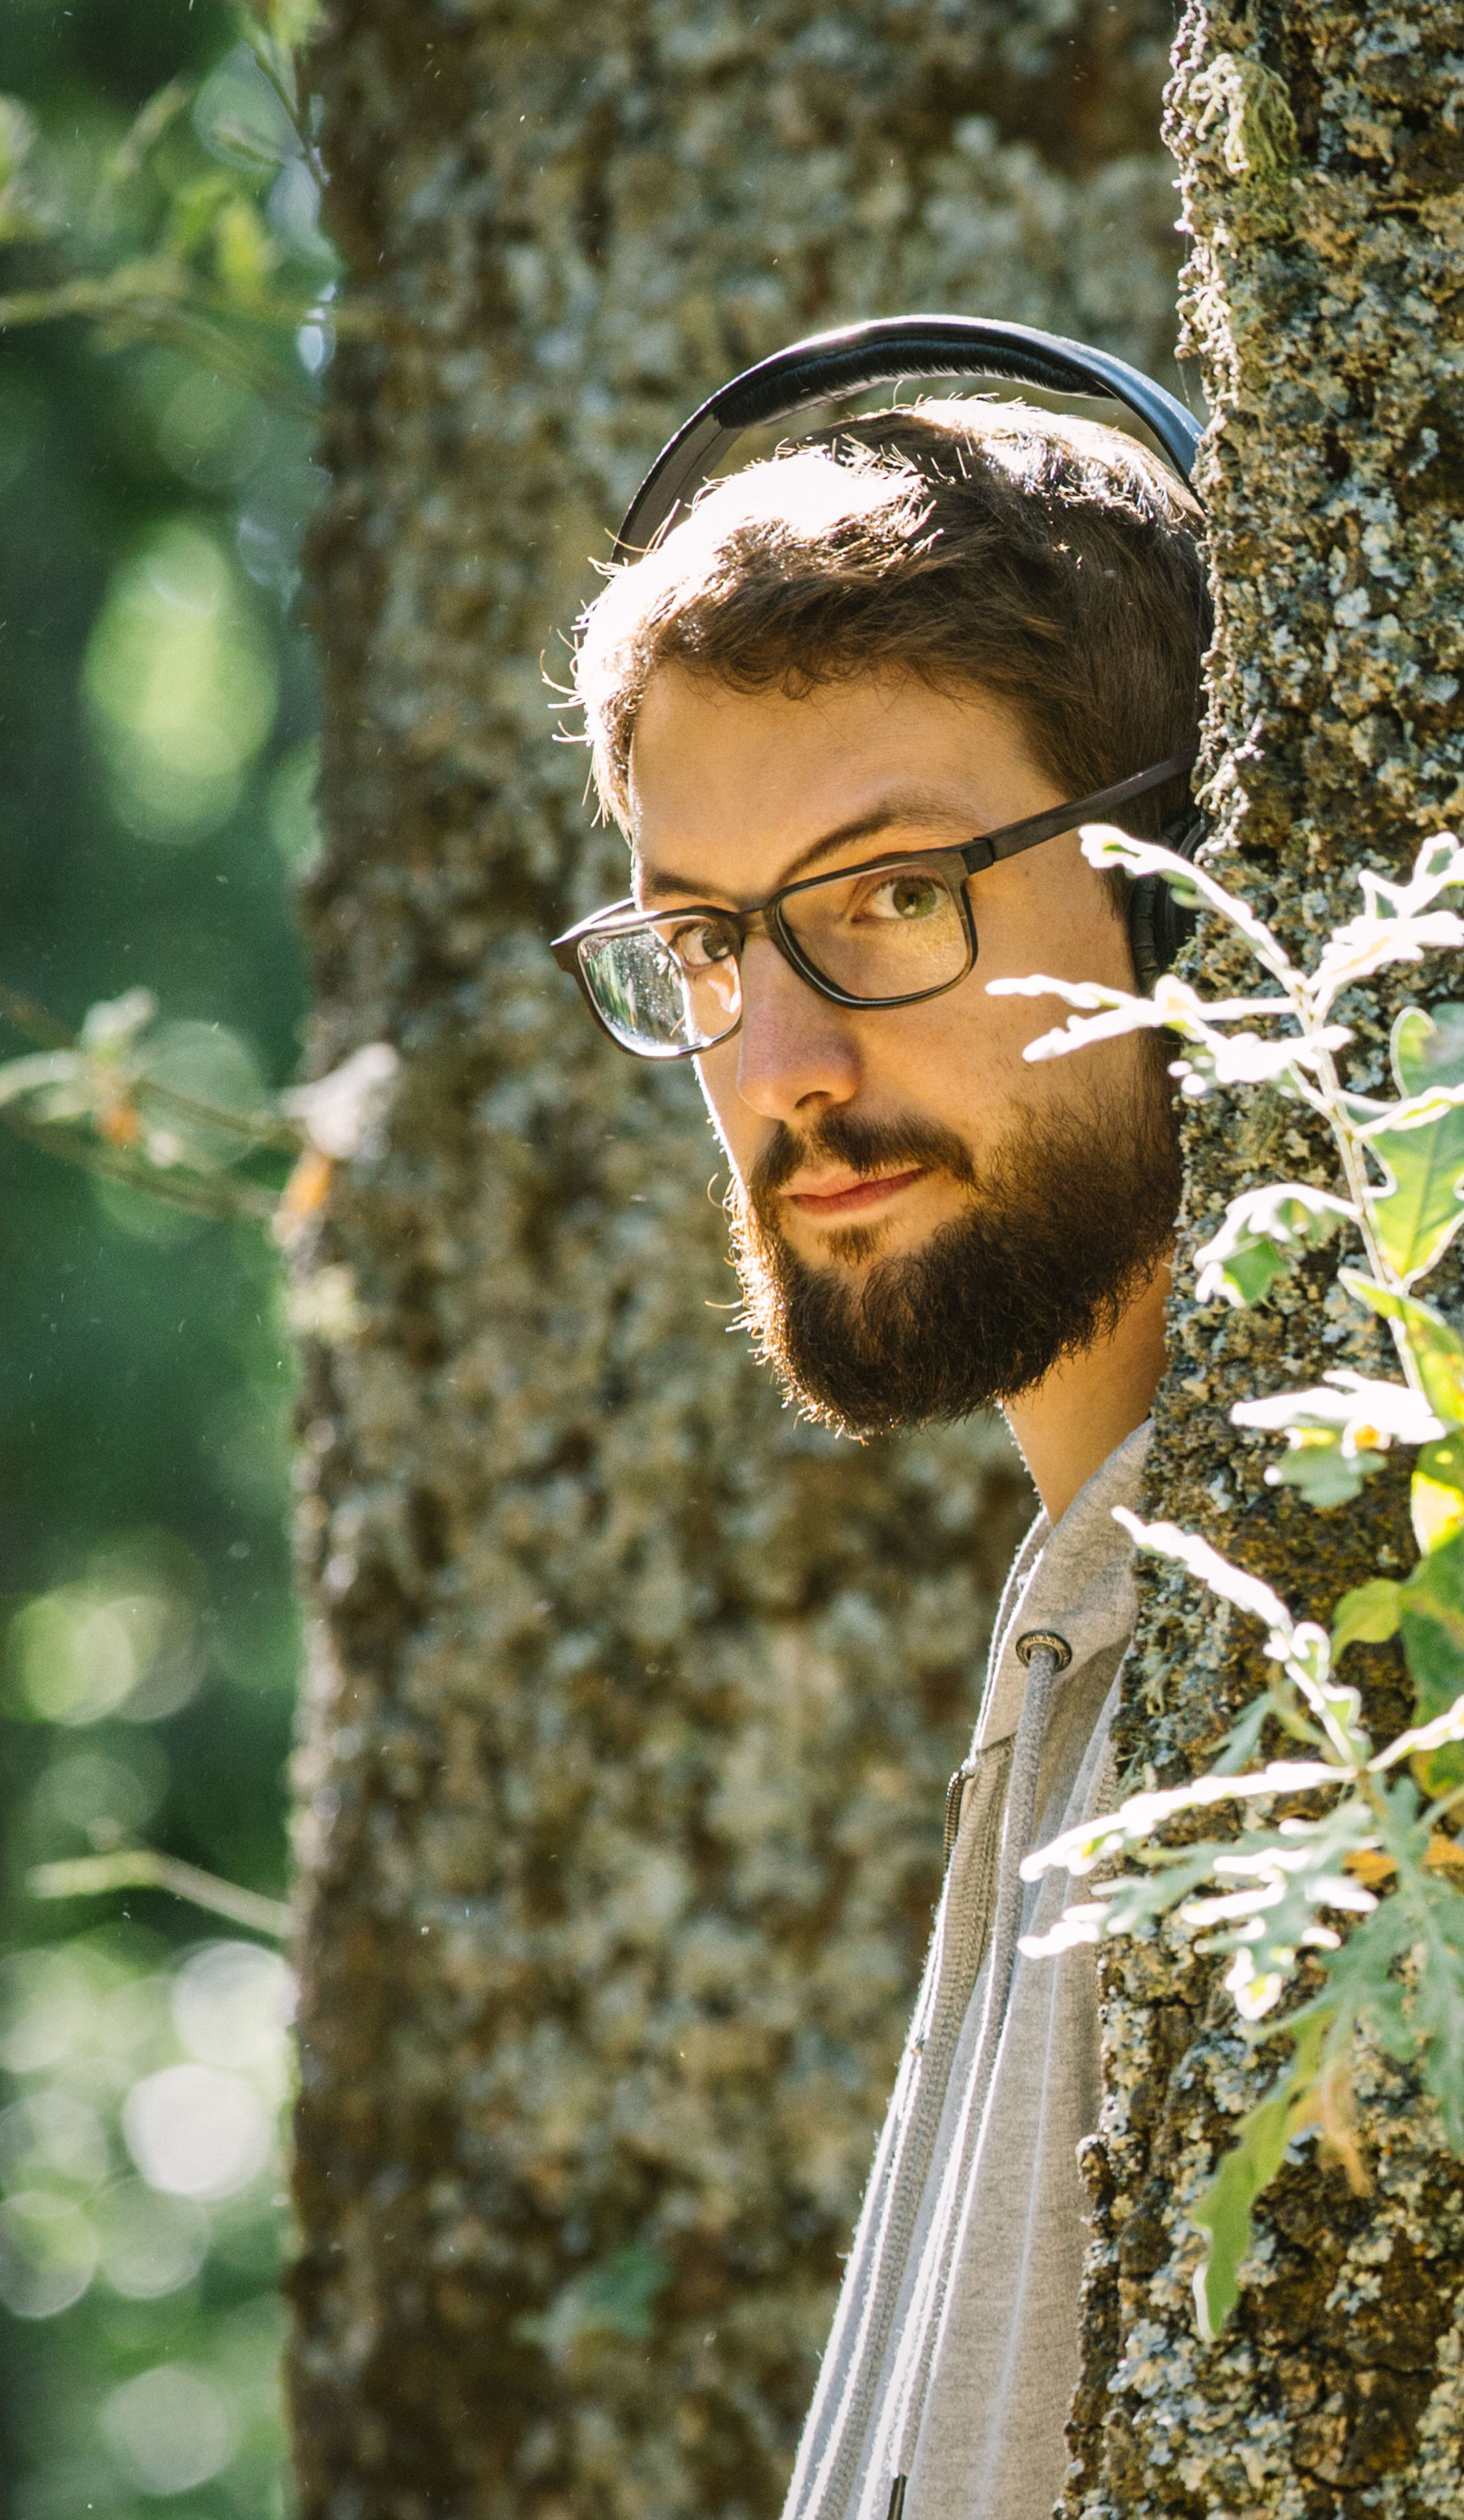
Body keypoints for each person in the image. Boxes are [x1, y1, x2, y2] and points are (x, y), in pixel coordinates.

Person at [558, 394, 1205, 2520]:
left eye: (898, 894)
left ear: (1187, 888)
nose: (784, 1065)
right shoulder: (1089, 1637)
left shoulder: (1301, 1671)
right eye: (707, 941)